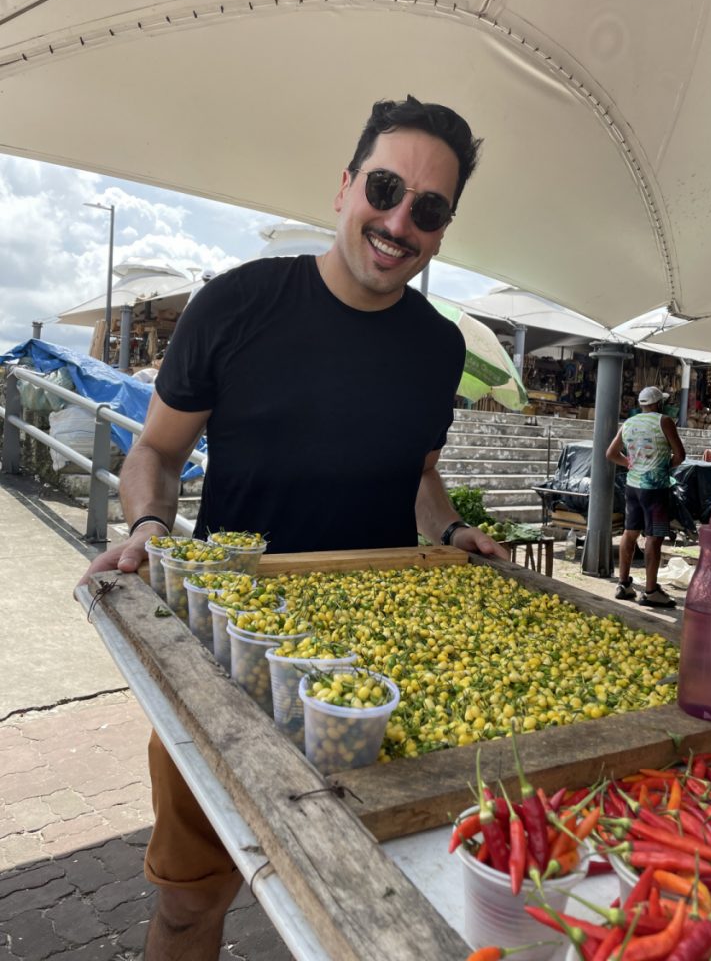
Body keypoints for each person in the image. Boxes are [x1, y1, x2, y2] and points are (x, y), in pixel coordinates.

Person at [80, 94, 507, 960]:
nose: (399, 221)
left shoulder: (438, 349)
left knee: (378, 911)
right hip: (231, 657)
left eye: (428, 209)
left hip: (383, 672)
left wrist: (453, 532)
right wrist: (152, 525)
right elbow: (154, 453)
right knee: (189, 908)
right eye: (384, 188)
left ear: (443, 227)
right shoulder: (236, 304)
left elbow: (421, 477)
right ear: (345, 185)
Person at [606, 385, 686, 607]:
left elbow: (611, 453)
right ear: (659, 404)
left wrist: (630, 463)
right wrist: (662, 467)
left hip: (633, 486)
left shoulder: (629, 423)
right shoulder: (664, 421)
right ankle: (651, 591)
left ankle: (623, 584)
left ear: (642, 404)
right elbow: (680, 455)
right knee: (654, 538)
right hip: (655, 489)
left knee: (629, 533)